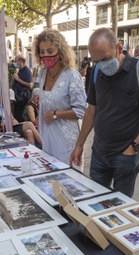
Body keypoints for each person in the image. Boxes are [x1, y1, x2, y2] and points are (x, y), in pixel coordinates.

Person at [69, 28, 139, 197]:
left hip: (126, 154)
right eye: (96, 61)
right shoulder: (96, 71)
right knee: (94, 202)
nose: (101, 65)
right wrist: (80, 144)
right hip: (99, 152)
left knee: (121, 206)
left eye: (105, 59)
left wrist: (135, 146)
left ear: (118, 47)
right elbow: (91, 110)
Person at [33, 29, 87, 164]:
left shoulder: (72, 75)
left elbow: (81, 110)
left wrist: (56, 114)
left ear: (60, 50)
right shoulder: (42, 74)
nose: (46, 56)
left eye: (50, 51)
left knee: (66, 181)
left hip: (66, 140)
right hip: (46, 137)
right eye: (42, 52)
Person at [11, 55, 33, 122]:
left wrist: (18, 79)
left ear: (21, 61)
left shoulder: (27, 71)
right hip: (17, 97)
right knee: (17, 115)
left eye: (16, 61)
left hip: (22, 98)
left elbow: (29, 85)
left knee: (20, 116)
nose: (15, 63)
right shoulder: (19, 70)